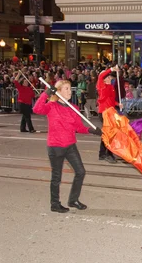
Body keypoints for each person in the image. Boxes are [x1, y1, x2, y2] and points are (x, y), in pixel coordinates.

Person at [33, 80, 102, 213]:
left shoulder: (74, 108)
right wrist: (45, 94)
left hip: (70, 145)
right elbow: (37, 109)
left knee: (80, 172)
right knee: (56, 177)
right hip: (56, 146)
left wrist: (91, 130)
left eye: (70, 89)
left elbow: (79, 127)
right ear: (58, 91)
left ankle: (73, 200)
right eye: (66, 89)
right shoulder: (51, 106)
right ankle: (55, 204)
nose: (70, 91)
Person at [97, 67, 119, 163]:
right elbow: (101, 76)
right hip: (104, 112)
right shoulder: (101, 86)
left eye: (110, 77)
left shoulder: (111, 87)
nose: (110, 78)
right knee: (109, 134)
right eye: (108, 77)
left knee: (108, 133)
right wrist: (111, 69)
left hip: (111, 112)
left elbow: (111, 101)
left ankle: (103, 153)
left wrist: (118, 104)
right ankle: (108, 154)